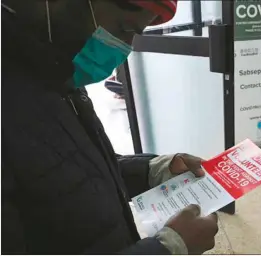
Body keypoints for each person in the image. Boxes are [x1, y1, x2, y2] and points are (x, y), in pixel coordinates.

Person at [1, 0, 219, 254]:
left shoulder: (58, 73)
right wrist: (167, 249)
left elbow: (73, 168)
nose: (124, 48)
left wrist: (152, 171)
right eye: (124, 28)